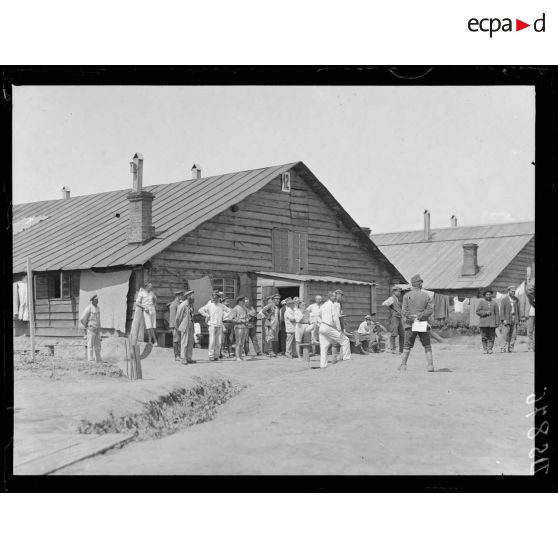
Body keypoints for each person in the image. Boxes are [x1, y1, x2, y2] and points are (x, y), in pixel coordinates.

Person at [398, 274, 435, 372]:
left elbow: (404, 311)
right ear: (420, 284)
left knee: (407, 346)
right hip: (422, 323)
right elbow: (430, 310)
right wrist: (420, 316)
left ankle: (403, 366)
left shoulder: (407, 296)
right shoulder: (426, 295)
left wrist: (412, 317)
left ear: (413, 284)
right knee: (427, 345)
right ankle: (430, 366)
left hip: (410, 324)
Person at [318, 291, 351, 369]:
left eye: (335, 296)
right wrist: (339, 330)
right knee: (345, 340)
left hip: (322, 326)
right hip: (328, 326)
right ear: (330, 297)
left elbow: (318, 315)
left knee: (324, 347)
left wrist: (321, 322)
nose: (335, 297)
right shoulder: (333, 305)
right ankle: (347, 359)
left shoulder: (323, 305)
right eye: (333, 296)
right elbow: (336, 318)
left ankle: (323, 365)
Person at [198, 289, 227, 361]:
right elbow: (200, 310)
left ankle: (216, 355)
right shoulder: (209, 305)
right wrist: (207, 315)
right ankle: (211, 355)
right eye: (214, 298)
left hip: (219, 325)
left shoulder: (222, 306)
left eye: (216, 298)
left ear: (218, 298)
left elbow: (229, 311)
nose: (214, 299)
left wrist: (224, 316)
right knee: (212, 341)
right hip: (212, 325)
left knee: (219, 341)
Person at [500, 285, 523, 353]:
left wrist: (519, 319)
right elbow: (502, 310)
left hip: (514, 318)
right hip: (507, 319)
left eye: (514, 291)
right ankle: (503, 348)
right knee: (505, 334)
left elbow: (518, 310)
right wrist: (503, 319)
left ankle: (511, 348)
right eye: (512, 291)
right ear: (508, 291)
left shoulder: (516, 299)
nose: (513, 292)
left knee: (513, 334)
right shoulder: (504, 299)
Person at [476, 289, 500, 354]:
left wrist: (497, 322)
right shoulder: (481, 302)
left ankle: (490, 349)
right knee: (484, 337)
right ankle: (485, 349)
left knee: (492, 337)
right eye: (487, 294)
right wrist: (485, 312)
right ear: (484, 295)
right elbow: (477, 311)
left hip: (492, 323)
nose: (488, 296)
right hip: (483, 323)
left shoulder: (494, 303)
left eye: (489, 294)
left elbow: (497, 313)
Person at [176, 290, 196, 365]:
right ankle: (183, 358)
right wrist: (179, 326)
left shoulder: (190, 305)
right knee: (184, 342)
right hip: (185, 325)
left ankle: (189, 358)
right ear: (188, 296)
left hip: (191, 323)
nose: (193, 297)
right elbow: (178, 317)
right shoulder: (183, 305)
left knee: (190, 342)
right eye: (192, 295)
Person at [80, 294, 102, 362]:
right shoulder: (89, 308)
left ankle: (98, 359)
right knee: (90, 345)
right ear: (92, 301)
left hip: (97, 329)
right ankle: (90, 359)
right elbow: (82, 318)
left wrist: (99, 328)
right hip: (91, 329)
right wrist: (86, 325)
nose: (97, 301)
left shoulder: (98, 308)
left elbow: (98, 319)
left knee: (98, 345)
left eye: (97, 300)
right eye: (96, 300)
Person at [228, 295, 249, 361]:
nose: (244, 302)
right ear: (240, 301)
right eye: (243, 300)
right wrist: (240, 320)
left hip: (244, 326)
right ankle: (237, 356)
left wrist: (247, 319)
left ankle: (240, 355)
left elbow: (247, 316)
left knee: (242, 342)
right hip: (238, 326)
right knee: (238, 342)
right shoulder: (235, 308)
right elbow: (231, 318)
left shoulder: (245, 308)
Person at [384, 286, 405, 354]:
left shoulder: (397, 299)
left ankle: (401, 350)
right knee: (394, 333)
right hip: (394, 317)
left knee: (402, 333)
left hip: (399, 317)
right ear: (394, 292)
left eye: (399, 291)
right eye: (398, 291)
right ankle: (392, 349)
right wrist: (391, 308)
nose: (399, 293)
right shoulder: (391, 298)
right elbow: (385, 304)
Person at [169, 290, 184, 361]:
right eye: (181, 295)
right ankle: (176, 356)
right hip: (175, 325)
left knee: (180, 340)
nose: (182, 296)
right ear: (178, 296)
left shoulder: (179, 303)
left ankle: (180, 354)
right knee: (176, 340)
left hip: (180, 325)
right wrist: (176, 326)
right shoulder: (174, 304)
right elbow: (173, 317)